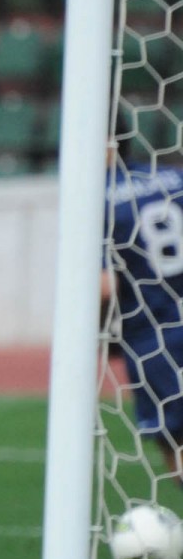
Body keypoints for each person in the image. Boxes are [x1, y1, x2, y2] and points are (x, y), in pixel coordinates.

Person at [103, 146, 183, 484]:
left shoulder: (97, 198)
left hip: (155, 336)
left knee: (177, 445)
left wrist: (100, 337)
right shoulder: (174, 178)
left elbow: (104, 287)